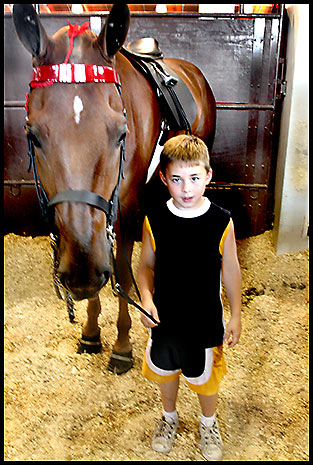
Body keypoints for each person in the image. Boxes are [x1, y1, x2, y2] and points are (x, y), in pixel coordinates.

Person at [137, 134, 241, 460]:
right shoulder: (153, 220)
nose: (186, 189)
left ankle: (208, 423)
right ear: (164, 178)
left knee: (206, 378)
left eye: (194, 178)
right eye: (177, 180)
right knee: (166, 371)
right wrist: (146, 298)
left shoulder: (222, 221)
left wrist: (236, 314)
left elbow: (232, 270)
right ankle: (168, 418)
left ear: (207, 176)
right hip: (164, 318)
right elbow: (144, 267)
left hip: (205, 320)